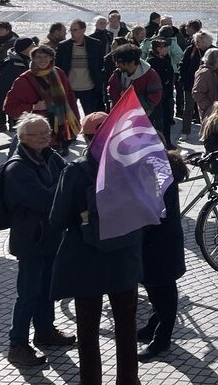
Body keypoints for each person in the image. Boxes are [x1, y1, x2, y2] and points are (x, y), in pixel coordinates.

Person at [48, 112, 144, 385]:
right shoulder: (133, 166)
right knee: (126, 326)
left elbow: (58, 219)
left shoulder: (75, 171)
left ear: (87, 139)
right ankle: (129, 380)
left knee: (88, 330)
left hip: (86, 260)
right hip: (125, 257)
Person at [4, 115, 73, 368]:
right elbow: (45, 200)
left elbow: (68, 172)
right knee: (28, 293)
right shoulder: (17, 168)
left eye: (47, 131)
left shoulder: (49, 155)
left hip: (50, 236)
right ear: (23, 138)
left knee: (47, 288)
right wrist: (65, 185)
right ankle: (17, 344)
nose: (46, 136)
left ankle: (45, 331)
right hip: (31, 241)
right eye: (39, 134)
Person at [137, 148, 188, 361]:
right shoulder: (155, 168)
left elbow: (152, 212)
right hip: (155, 242)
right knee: (157, 289)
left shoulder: (158, 173)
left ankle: (162, 338)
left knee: (163, 291)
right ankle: (153, 326)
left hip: (159, 243)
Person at [3, 43, 81, 152]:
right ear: (33, 59)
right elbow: (9, 107)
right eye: (38, 57)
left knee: (55, 164)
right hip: (35, 134)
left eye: (46, 56)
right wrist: (33, 107)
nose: (42, 60)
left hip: (59, 131)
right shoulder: (23, 80)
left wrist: (76, 120)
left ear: (51, 58)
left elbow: (70, 98)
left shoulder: (58, 73)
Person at [55, 19, 108, 114]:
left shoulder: (94, 44)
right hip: (70, 89)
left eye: (75, 30)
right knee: (71, 118)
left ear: (83, 30)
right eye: (71, 30)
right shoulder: (63, 46)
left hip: (89, 88)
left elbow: (100, 64)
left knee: (91, 116)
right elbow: (58, 67)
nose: (72, 33)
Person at [106, 43, 164, 116]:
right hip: (120, 115)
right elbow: (112, 92)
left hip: (140, 118)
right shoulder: (118, 74)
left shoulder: (150, 76)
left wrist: (132, 99)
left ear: (132, 62)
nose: (117, 65)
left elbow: (154, 98)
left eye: (120, 62)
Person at [192, 47, 218, 128]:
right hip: (211, 112)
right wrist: (209, 107)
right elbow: (197, 92)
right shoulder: (205, 73)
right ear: (216, 60)